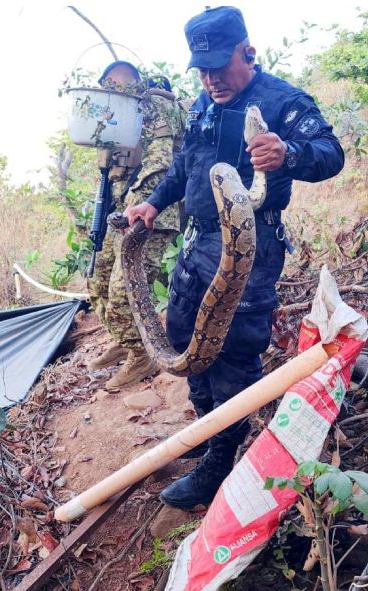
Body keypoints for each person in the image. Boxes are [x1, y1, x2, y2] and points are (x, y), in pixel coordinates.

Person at [124, 6, 344, 509]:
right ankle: (208, 427)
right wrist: (153, 202)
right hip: (197, 243)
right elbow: (184, 165)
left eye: (220, 66)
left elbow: (331, 153)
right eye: (201, 69)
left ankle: (221, 460)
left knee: (231, 356)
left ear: (247, 51)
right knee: (184, 337)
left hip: (252, 250)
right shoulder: (203, 102)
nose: (211, 79)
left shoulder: (282, 100)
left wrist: (288, 153)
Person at [88, 61, 186, 388]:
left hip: (154, 214)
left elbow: (160, 167)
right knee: (98, 283)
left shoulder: (156, 108)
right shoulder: (120, 116)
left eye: (117, 87)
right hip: (122, 214)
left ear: (132, 85)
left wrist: (135, 209)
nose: (111, 94)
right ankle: (127, 338)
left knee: (122, 294)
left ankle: (141, 356)